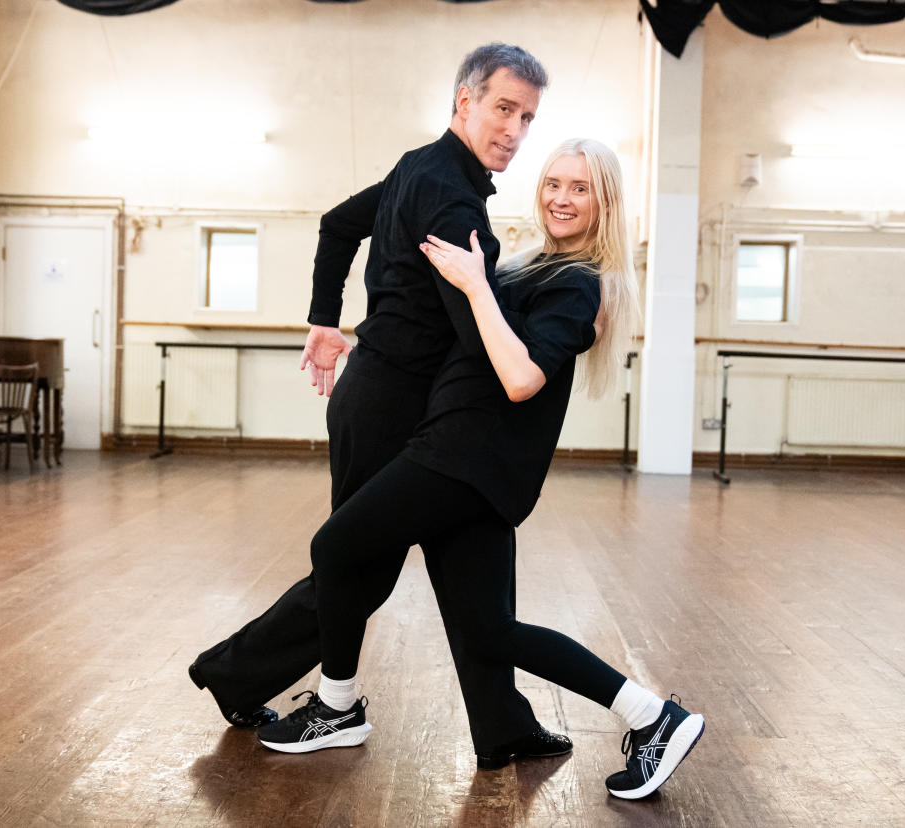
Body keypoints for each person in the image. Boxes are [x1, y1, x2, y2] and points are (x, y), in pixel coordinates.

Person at [256, 139, 706, 801]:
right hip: (467, 459)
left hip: (464, 460)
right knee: (488, 631)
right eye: (554, 182)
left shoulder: (581, 285)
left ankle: (340, 704)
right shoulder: (535, 264)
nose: (560, 197)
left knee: (336, 545)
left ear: (604, 202)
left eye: (580, 188)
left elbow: (522, 377)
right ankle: (648, 716)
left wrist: (474, 286)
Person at [188, 42, 573, 770]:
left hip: (393, 397)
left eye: (527, 116)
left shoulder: (417, 168)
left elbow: (338, 223)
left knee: (473, 554)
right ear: (463, 101)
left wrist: (323, 318)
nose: (515, 130)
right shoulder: (452, 197)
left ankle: (503, 725)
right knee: (360, 567)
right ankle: (242, 676)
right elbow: (474, 337)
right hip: (392, 406)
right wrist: (538, 356)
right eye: (502, 108)